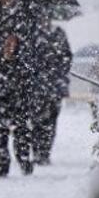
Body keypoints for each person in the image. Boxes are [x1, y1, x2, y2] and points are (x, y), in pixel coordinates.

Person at [0, 0, 44, 178]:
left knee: (22, 122)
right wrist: (1, 47)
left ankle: (24, 159)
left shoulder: (28, 13)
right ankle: (1, 164)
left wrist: (18, 46)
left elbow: (36, 46)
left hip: (21, 78)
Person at [31, 22, 72, 164]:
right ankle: (37, 151)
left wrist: (57, 67)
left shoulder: (58, 33)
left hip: (55, 85)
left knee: (51, 120)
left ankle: (44, 152)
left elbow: (67, 57)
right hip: (37, 85)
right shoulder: (31, 32)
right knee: (36, 120)